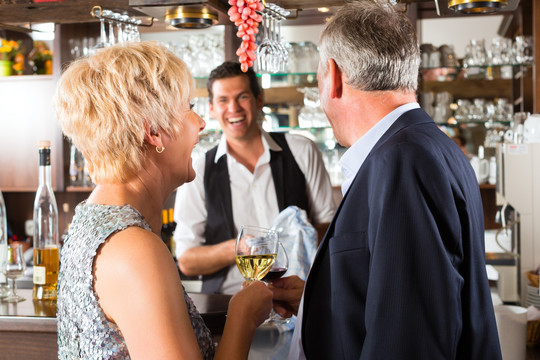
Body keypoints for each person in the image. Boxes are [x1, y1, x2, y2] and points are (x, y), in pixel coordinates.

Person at [271, 2, 502, 359]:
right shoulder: (423, 145)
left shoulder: (401, 161)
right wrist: (319, 300)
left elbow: (407, 338)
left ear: (332, 76)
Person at [54, 42, 272, 359]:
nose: (200, 122)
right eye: (188, 107)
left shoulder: (92, 218)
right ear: (154, 132)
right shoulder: (133, 248)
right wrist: (243, 315)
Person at [173, 61, 336, 294]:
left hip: (297, 298)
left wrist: (301, 235)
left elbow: (330, 227)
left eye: (242, 97)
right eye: (223, 100)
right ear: (211, 109)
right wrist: (241, 248)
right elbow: (187, 260)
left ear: (259, 101)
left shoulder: (302, 150)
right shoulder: (199, 171)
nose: (234, 108)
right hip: (228, 305)